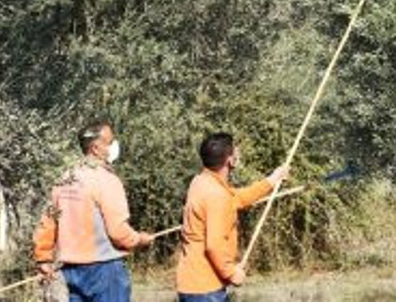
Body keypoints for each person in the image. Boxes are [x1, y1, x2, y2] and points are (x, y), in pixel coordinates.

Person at [33, 120, 154, 302]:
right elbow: (119, 232)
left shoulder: (65, 179)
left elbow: (48, 222)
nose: (114, 146)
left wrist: (43, 258)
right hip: (104, 270)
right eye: (110, 141)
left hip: (70, 271)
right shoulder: (107, 180)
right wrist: (139, 240)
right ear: (96, 148)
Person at [176, 132, 290, 302]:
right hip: (205, 289)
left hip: (192, 284)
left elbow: (237, 198)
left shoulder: (201, 181)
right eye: (235, 150)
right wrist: (231, 273)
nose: (238, 152)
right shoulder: (216, 195)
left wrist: (272, 180)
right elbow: (213, 246)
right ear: (230, 160)